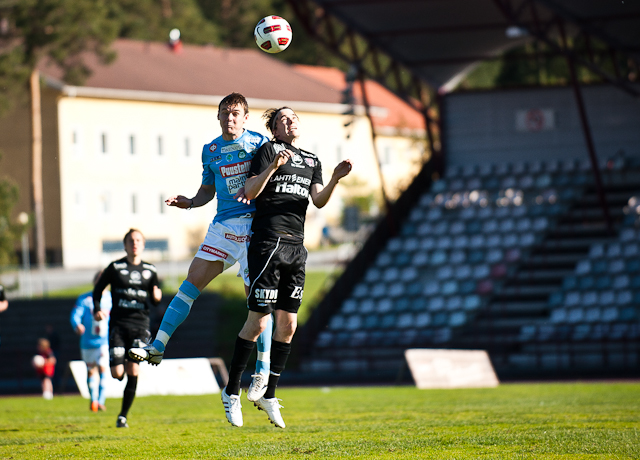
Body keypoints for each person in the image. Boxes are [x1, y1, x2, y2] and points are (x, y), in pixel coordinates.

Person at [128, 92, 273, 403]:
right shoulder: (211, 151)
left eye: (236, 114)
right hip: (223, 226)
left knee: (257, 303)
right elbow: (208, 188)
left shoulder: (261, 143)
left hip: (254, 228)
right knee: (189, 285)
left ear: (246, 118)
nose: (230, 118)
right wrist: (192, 202)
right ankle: (157, 347)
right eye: (225, 113)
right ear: (218, 116)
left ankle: (263, 371)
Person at [221, 107, 352, 428]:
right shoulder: (268, 150)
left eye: (294, 118)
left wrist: (335, 177)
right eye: (283, 120)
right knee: (259, 320)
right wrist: (273, 167)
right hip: (268, 242)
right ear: (275, 130)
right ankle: (231, 391)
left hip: (297, 246)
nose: (290, 122)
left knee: (289, 324)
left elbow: (318, 200)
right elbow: (250, 192)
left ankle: (269, 395)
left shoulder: (311, 159)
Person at [93, 228, 162, 428]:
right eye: (131, 240)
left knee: (134, 368)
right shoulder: (114, 267)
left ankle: (123, 416)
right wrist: (97, 309)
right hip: (118, 325)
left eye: (138, 240)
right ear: (124, 245)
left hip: (141, 326)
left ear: (143, 244)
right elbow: (97, 290)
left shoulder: (151, 270)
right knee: (117, 373)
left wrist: (157, 297)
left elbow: (155, 297)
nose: (135, 243)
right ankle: (120, 363)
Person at [70, 271, 112, 412]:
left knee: (103, 368)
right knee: (90, 371)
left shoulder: (111, 299)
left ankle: (100, 401)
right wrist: (77, 325)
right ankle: (93, 399)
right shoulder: (84, 298)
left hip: (104, 342)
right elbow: (75, 315)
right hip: (87, 342)